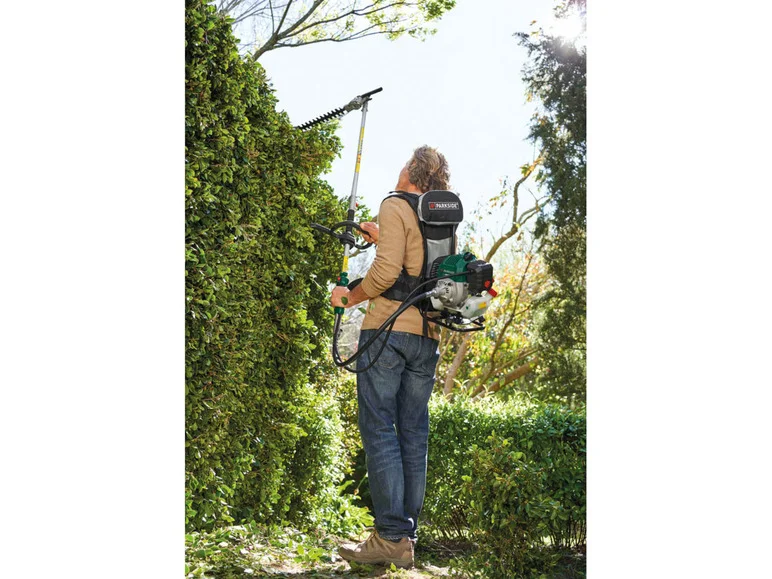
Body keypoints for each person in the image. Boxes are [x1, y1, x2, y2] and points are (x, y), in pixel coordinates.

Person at [330, 145, 451, 569]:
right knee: (413, 434)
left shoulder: (394, 203)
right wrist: (383, 236)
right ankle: (404, 538)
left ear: (410, 171)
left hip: (389, 332)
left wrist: (350, 296)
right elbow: (418, 266)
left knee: (380, 428)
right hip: (427, 336)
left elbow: (384, 274)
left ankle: (388, 537)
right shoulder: (438, 213)